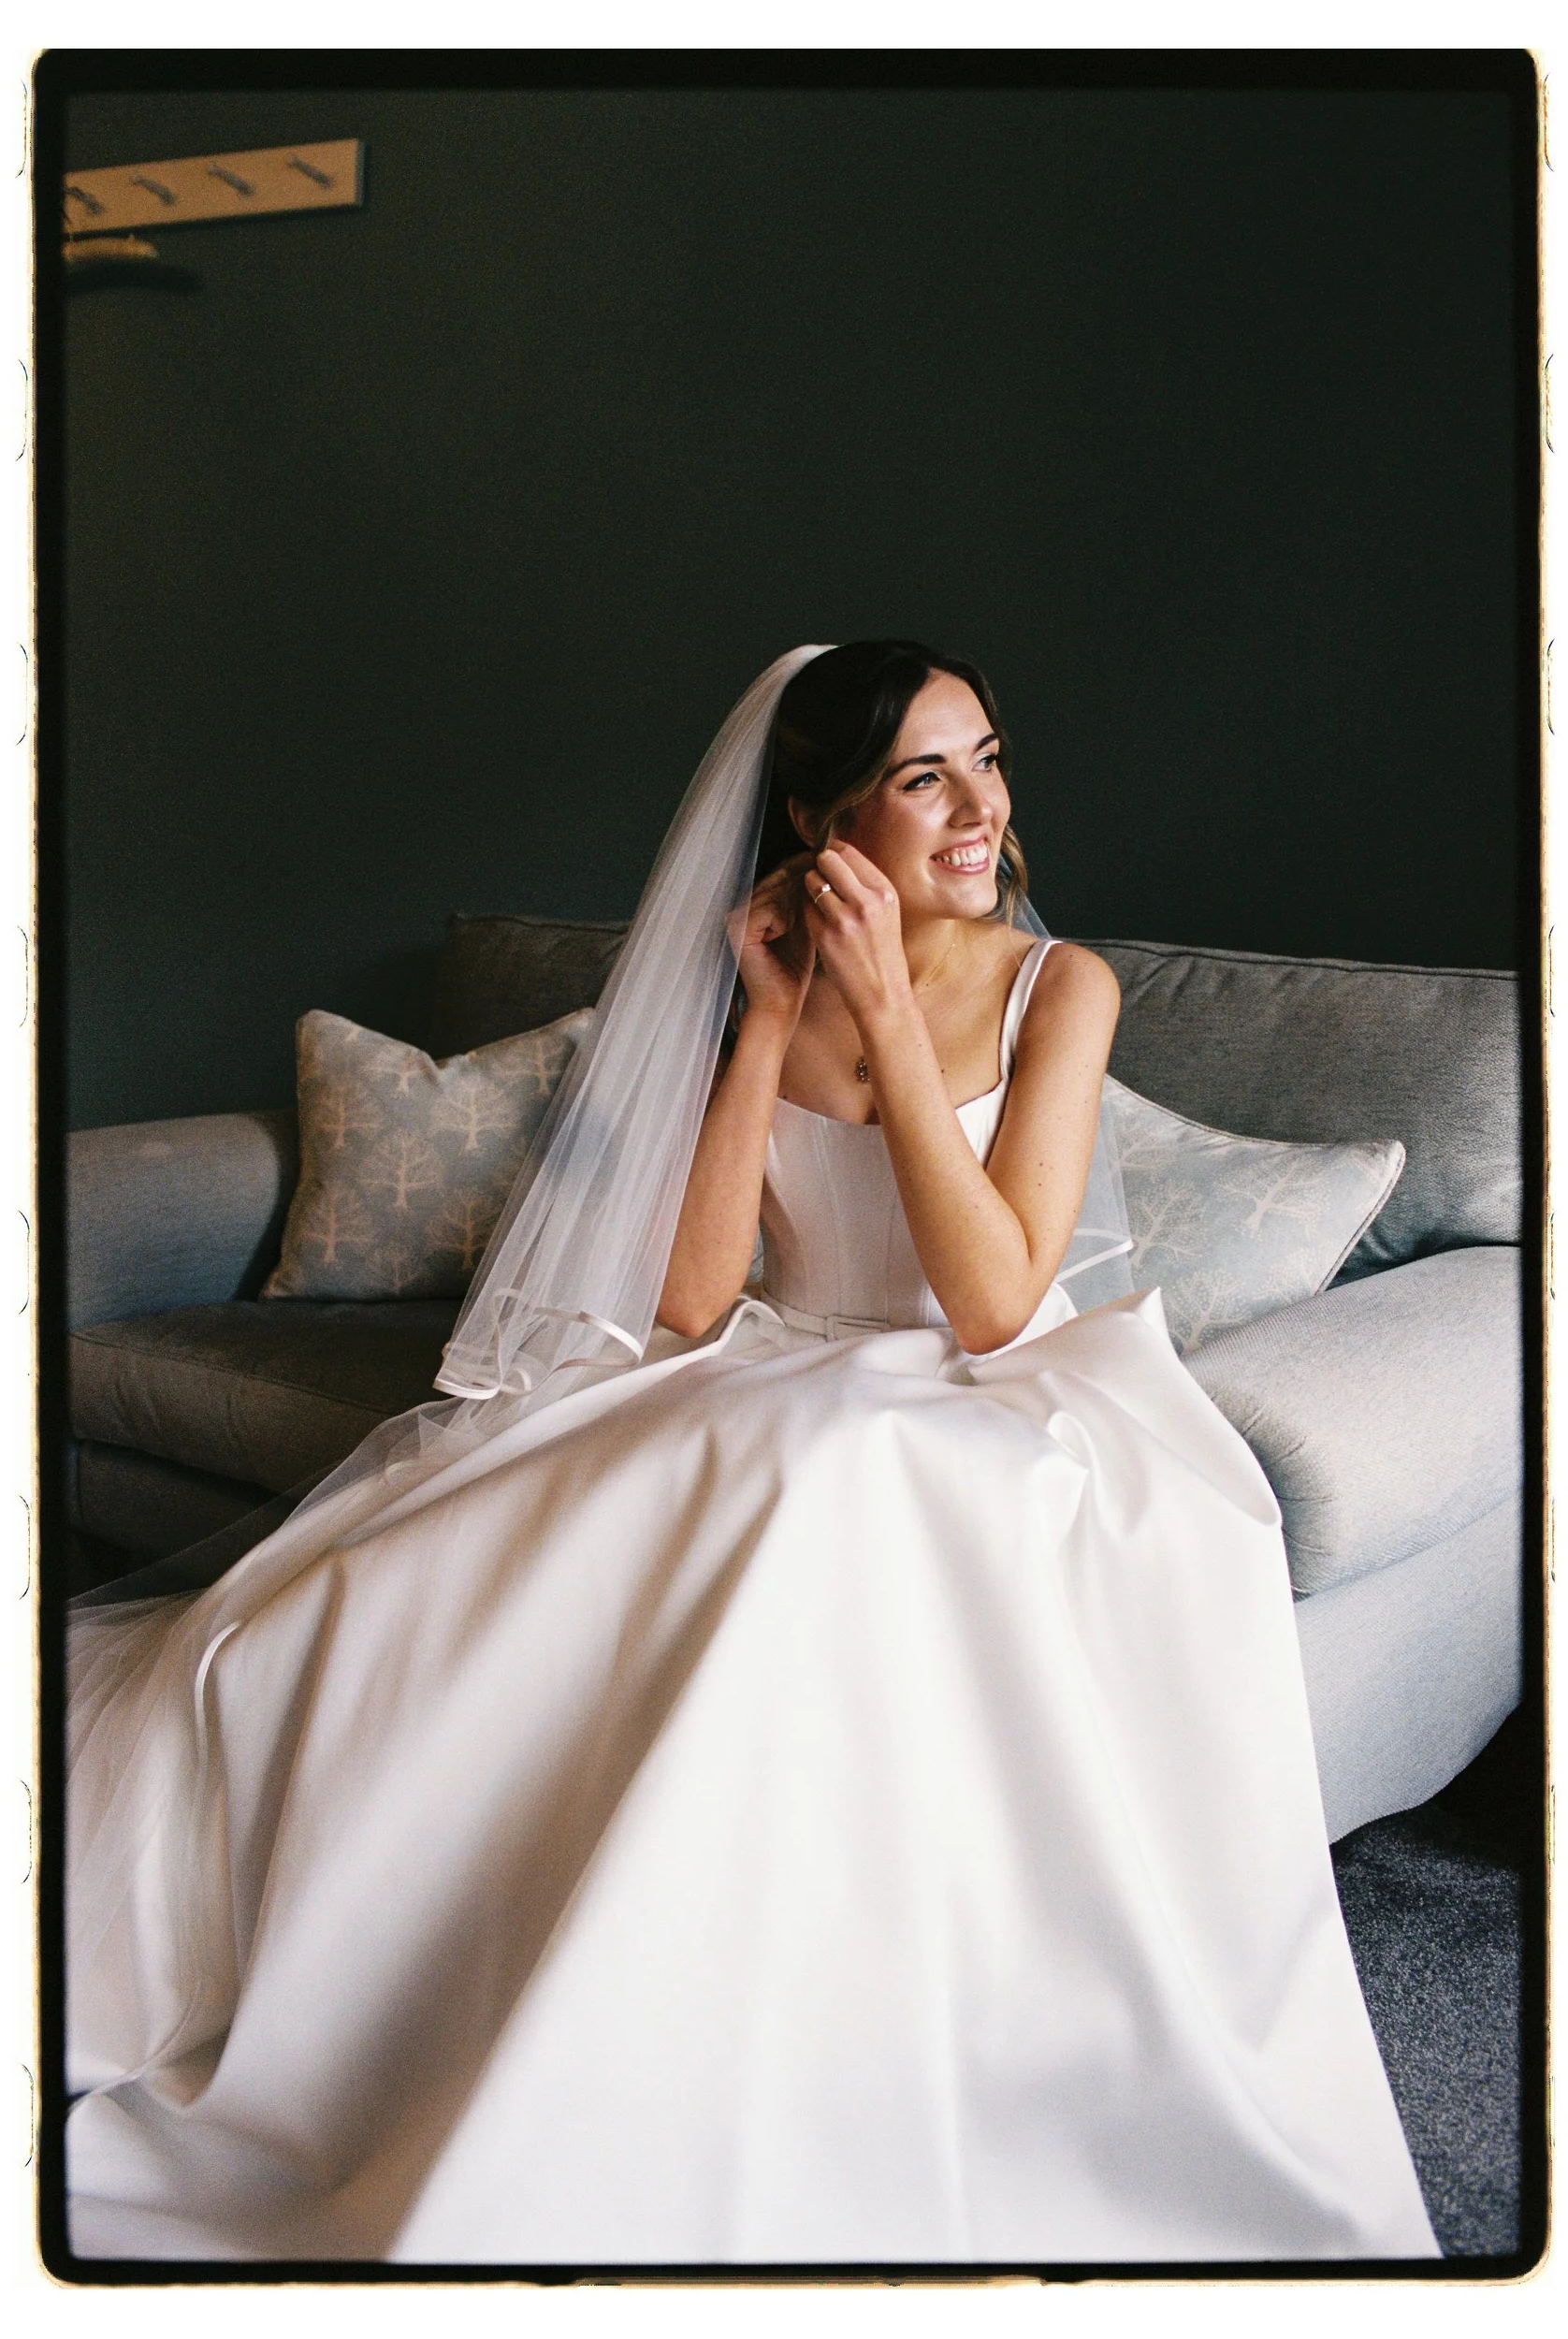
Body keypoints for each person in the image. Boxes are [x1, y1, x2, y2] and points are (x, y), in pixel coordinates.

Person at [63, 644, 1439, 2267]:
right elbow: (697, 1294)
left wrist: (893, 1024)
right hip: (782, 1362)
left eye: (988, 760)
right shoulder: (762, 977)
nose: (980, 810)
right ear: (818, 816)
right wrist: (773, 1015)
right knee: (448, 1558)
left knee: (814, 1478)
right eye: (924, 777)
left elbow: (996, 1303)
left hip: (991, 1393)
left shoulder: (1059, 988)